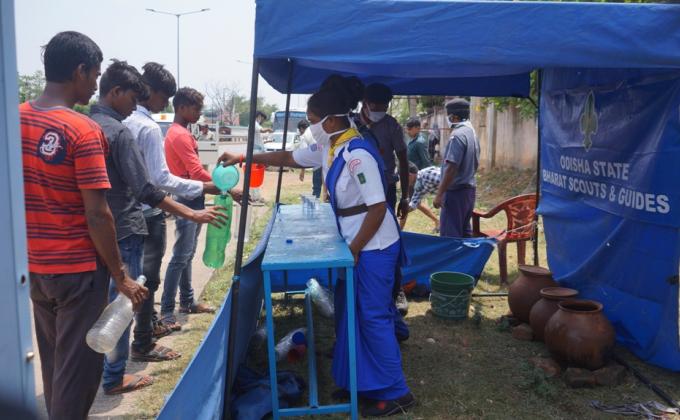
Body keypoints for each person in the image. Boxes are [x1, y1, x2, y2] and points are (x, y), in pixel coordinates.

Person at [217, 75, 415, 417]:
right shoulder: (331, 144)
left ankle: (395, 392)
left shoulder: (357, 153)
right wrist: (245, 156)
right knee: (350, 314)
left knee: (372, 316)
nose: (310, 128)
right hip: (355, 242)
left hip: (374, 246)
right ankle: (359, 382)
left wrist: (353, 249)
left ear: (331, 120)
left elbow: (378, 207)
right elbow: (292, 157)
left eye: (312, 122)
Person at [20, 31, 147, 419]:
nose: (95, 84)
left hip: (35, 268)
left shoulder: (15, 121)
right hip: (76, 272)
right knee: (78, 374)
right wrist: (120, 275)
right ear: (80, 71)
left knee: (56, 362)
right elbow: (98, 214)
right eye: (94, 75)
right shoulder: (82, 130)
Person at [90, 61, 226, 395]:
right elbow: (150, 187)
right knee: (127, 299)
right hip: (126, 226)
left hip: (95, 230)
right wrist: (195, 211)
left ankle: (115, 360)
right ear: (119, 91)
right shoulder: (128, 130)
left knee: (105, 301)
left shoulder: (87, 124)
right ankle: (117, 372)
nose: (135, 103)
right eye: (133, 96)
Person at [123, 63, 223, 346]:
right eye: (164, 97)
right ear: (151, 91)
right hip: (159, 205)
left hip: (136, 210)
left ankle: (158, 319)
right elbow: (162, 178)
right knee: (155, 273)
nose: (163, 103)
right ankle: (155, 325)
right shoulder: (152, 128)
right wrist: (209, 186)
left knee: (152, 270)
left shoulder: (127, 122)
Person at [161, 87, 216, 327]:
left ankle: (187, 301)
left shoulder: (181, 132)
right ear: (182, 107)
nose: (199, 113)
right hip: (187, 197)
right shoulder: (180, 135)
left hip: (190, 195)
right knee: (181, 256)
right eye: (196, 108)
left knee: (187, 254)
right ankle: (166, 311)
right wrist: (224, 185)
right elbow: (195, 171)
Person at [360, 83, 410, 316]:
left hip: (386, 189)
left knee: (390, 239)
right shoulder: (353, 124)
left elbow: (403, 159)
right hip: (358, 194)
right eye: (375, 105)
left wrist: (406, 196)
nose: (380, 109)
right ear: (365, 103)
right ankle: (361, 285)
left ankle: (396, 290)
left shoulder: (391, 125)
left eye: (384, 106)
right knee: (360, 237)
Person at [434, 99, 480, 238]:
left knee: (450, 237)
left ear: (454, 117)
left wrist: (439, 194)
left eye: (449, 116)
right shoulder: (472, 133)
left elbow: (451, 168)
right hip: (468, 191)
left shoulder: (457, 136)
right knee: (465, 234)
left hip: (455, 193)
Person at [400, 165, 441, 232]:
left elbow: (448, 178)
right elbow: (414, 202)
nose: (404, 183)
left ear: (409, 175)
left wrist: (440, 195)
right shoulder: (418, 185)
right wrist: (404, 210)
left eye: (403, 179)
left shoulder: (427, 175)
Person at [295, 119, 322, 198]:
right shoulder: (314, 129)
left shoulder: (304, 136)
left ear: (301, 128)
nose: (300, 132)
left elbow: (304, 156)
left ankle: (315, 202)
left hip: (318, 160)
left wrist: (302, 171)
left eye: (300, 130)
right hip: (326, 157)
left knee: (316, 185)